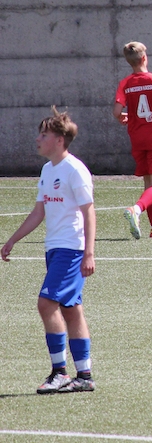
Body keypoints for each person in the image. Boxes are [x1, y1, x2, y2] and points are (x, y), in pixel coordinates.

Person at [2, 108, 96, 394]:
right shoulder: (47, 170)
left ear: (59, 140)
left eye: (43, 135)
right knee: (71, 309)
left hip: (71, 249)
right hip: (54, 248)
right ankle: (84, 376)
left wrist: (89, 252)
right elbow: (38, 213)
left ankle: (60, 372)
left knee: (46, 304)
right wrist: (12, 240)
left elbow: (89, 211)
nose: (37, 139)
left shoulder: (75, 169)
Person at [114, 41, 152, 239]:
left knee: (149, 184)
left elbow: (117, 111)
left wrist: (125, 116)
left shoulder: (125, 83)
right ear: (144, 58)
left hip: (138, 138)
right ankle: (136, 209)